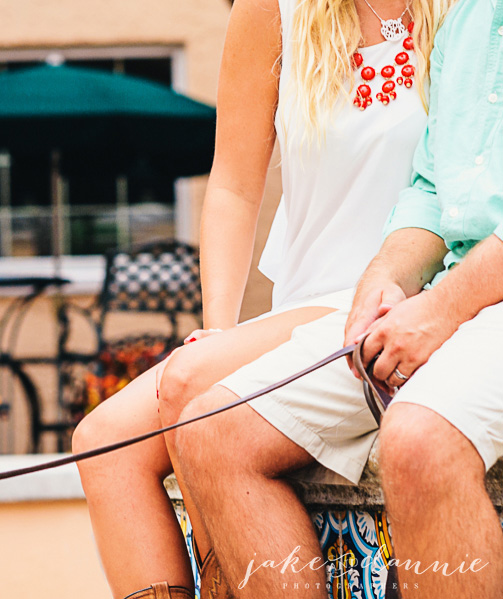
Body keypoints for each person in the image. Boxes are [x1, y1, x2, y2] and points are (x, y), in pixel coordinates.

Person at [70, 0, 453, 597]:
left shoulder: (467, 11)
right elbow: (233, 184)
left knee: (189, 384)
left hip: (412, 297)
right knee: (104, 443)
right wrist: (218, 326)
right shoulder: (273, 10)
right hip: (306, 302)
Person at [173, 0, 503, 596]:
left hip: (464, 298)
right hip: (439, 290)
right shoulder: (467, 16)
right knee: (208, 432)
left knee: (418, 441)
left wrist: (439, 306)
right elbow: (431, 188)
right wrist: (387, 278)